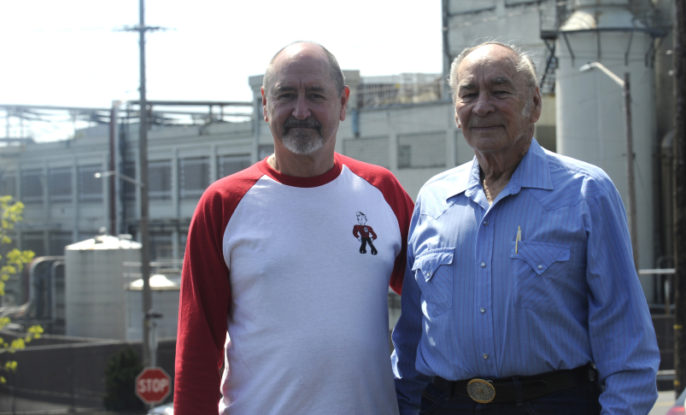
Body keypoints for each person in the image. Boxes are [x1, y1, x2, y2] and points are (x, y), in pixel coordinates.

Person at [391, 41, 660, 414]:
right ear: (456, 111)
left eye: (499, 91)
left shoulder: (586, 192)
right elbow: (410, 337)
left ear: (534, 104)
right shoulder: (434, 199)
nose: (482, 106)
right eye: (468, 94)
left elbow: (626, 340)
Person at [174, 41, 413, 414]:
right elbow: (197, 349)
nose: (301, 110)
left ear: (344, 103)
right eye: (286, 95)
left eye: (316, 95)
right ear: (265, 105)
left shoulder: (382, 191)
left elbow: (435, 301)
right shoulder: (223, 203)